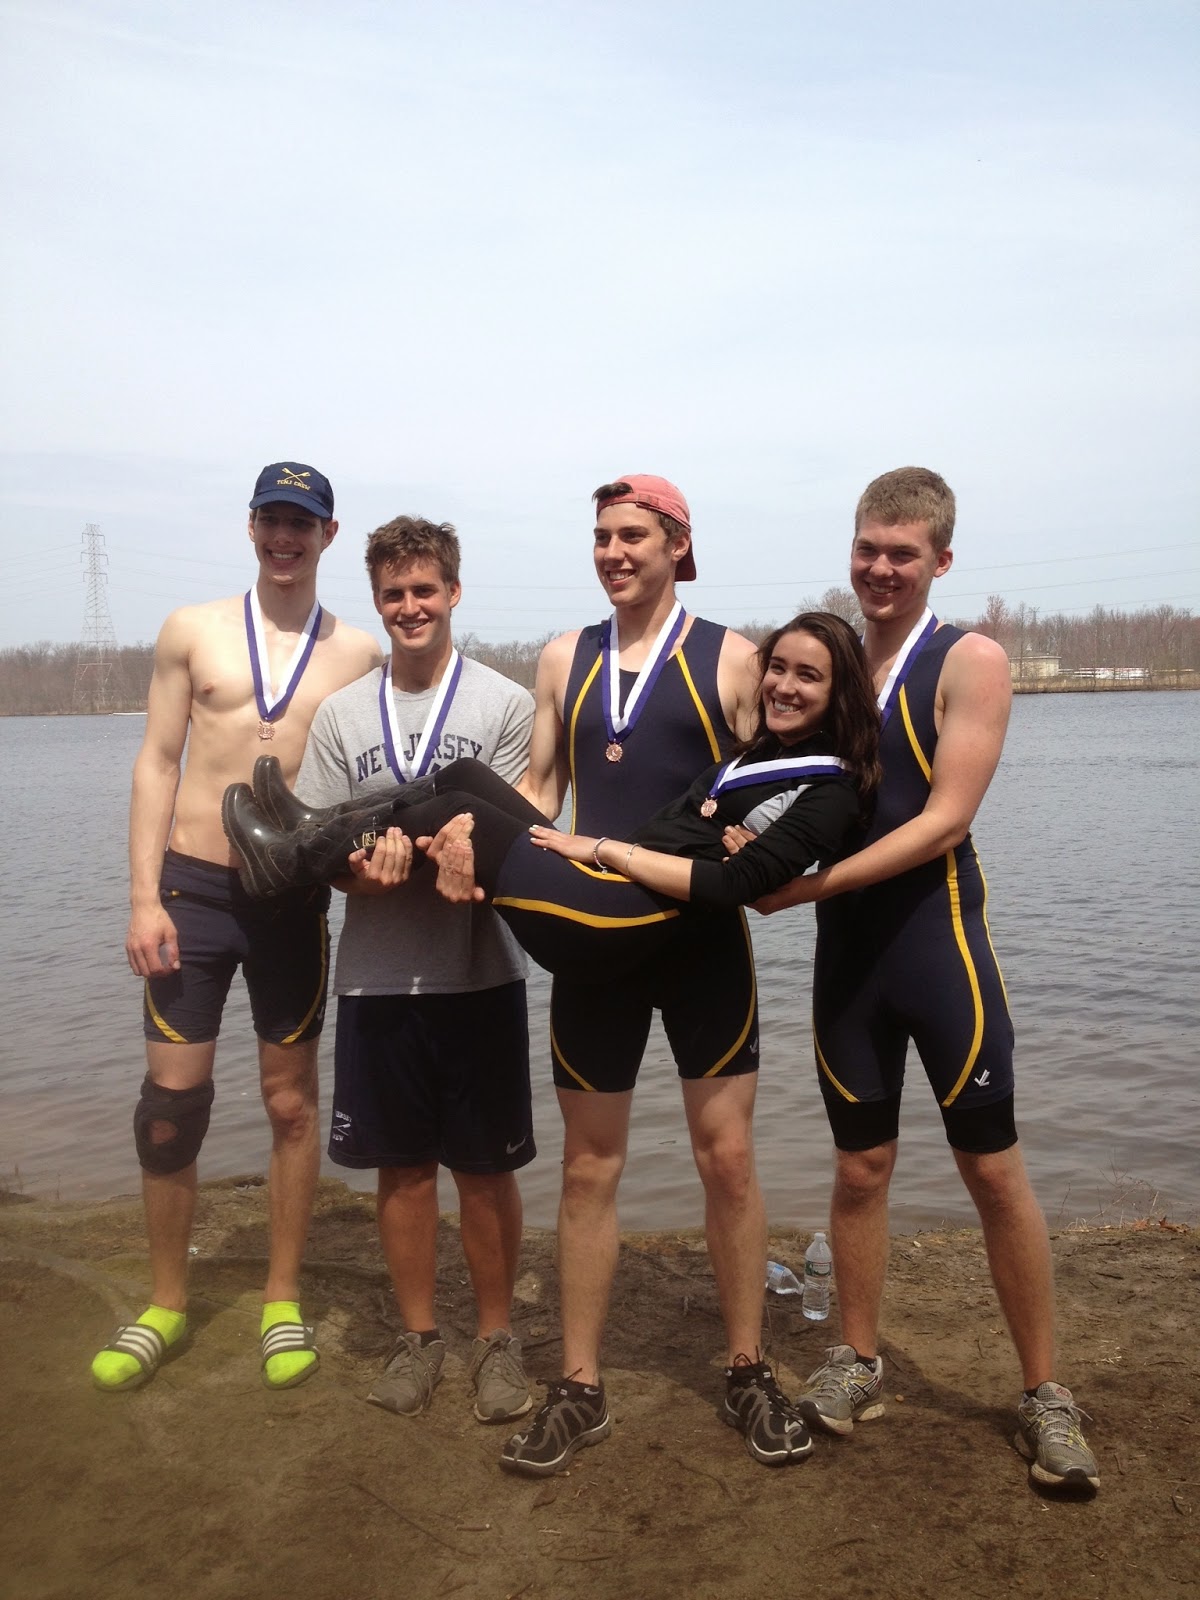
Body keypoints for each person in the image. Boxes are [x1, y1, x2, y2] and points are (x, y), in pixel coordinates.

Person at [225, 610, 880, 1472]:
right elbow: (632, 809)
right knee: (463, 781)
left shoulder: (782, 728)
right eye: (780, 669)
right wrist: (571, 848)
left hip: (668, 928)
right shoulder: (604, 674)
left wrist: (601, 848)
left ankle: (748, 1371)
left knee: (728, 1161)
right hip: (606, 900)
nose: (784, 685)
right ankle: (578, 1386)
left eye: (808, 676)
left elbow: (744, 881)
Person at [753, 467, 1100, 1494]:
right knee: (861, 1169)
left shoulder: (969, 659)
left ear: (941, 560)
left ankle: (1044, 1394)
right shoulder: (829, 664)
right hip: (848, 964)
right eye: (868, 547)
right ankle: (857, 1360)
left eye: (902, 553)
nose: (881, 567)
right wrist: (734, 851)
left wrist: (808, 887)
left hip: (938, 949)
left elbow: (946, 818)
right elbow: (768, 777)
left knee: (992, 1172)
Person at [91, 462, 381, 1393]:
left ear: (329, 535)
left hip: (292, 903)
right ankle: (165, 1306)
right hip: (192, 892)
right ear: (251, 526)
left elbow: (369, 788)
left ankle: (281, 1299)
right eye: (272, 520)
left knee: (290, 1103)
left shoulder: (359, 652)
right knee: (170, 1109)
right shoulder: (193, 630)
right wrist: (142, 898)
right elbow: (156, 762)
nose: (285, 538)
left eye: (303, 523)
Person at [292, 516, 537, 1427]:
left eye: (425, 589)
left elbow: (512, 835)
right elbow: (320, 848)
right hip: (377, 977)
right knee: (400, 1170)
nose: (410, 607)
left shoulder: (505, 704)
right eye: (393, 593)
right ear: (377, 601)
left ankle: (498, 1338)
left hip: (480, 975)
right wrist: (364, 869)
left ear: (453, 593)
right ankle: (420, 1336)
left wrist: (448, 847)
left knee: (485, 1171)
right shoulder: (342, 715)